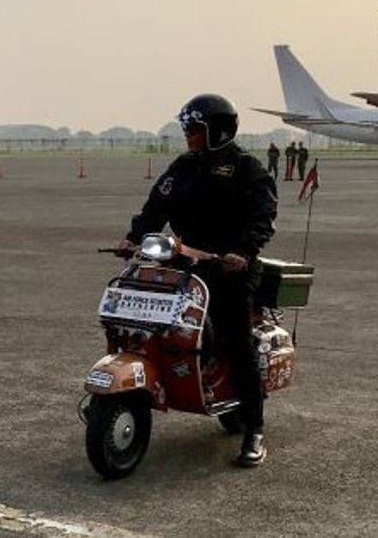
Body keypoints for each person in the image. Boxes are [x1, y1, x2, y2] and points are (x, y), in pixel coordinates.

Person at [116, 94, 277, 468]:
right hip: (186, 261)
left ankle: (254, 429)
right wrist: (133, 237)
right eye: (187, 128)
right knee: (151, 319)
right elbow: (156, 208)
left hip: (230, 266)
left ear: (217, 131)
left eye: (194, 129)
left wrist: (243, 251)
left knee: (236, 339)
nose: (187, 135)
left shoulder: (246, 169)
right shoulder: (182, 167)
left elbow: (263, 217)